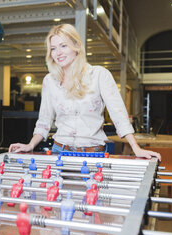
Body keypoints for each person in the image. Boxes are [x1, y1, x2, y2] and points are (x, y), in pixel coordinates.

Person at [9, 24, 161, 161]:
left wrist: (136, 148)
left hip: (93, 153)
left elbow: (118, 115)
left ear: (76, 46)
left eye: (63, 46)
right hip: (59, 151)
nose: (58, 53)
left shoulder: (99, 75)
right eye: (53, 48)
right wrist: (30, 145)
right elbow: (44, 120)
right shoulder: (50, 81)